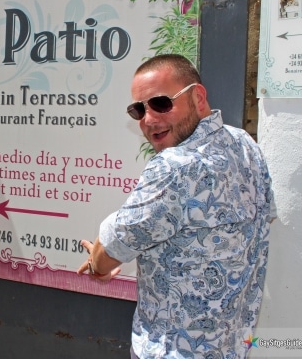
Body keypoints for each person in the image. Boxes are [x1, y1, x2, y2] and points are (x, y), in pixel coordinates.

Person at [77, 54, 276, 358]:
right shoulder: (245, 144)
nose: (148, 119)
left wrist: (97, 263)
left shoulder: (174, 167)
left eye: (161, 103)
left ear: (198, 97)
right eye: (138, 110)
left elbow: (113, 246)